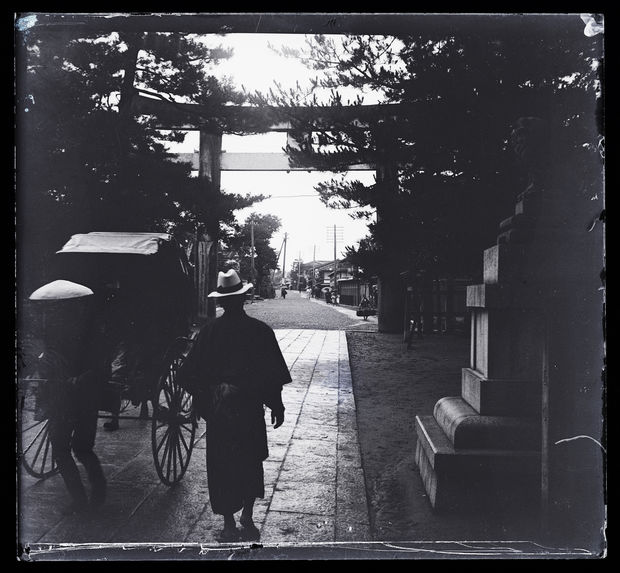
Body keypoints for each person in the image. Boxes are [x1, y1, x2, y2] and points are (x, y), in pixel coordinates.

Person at [185, 270, 291, 542]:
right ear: (243, 298)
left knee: (222, 465)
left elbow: (188, 374)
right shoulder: (259, 331)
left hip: (220, 412)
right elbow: (272, 376)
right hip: (249, 409)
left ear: (221, 302)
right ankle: (247, 516)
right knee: (251, 461)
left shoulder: (208, 332)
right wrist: (276, 406)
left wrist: (210, 394)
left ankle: (229, 524)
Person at [28, 280, 108, 515]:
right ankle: (80, 500)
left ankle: (98, 490)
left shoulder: (91, 334)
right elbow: (48, 362)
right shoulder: (54, 333)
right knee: (61, 448)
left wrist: (82, 378)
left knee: (82, 448)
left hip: (84, 398)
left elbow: (101, 368)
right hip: (62, 400)